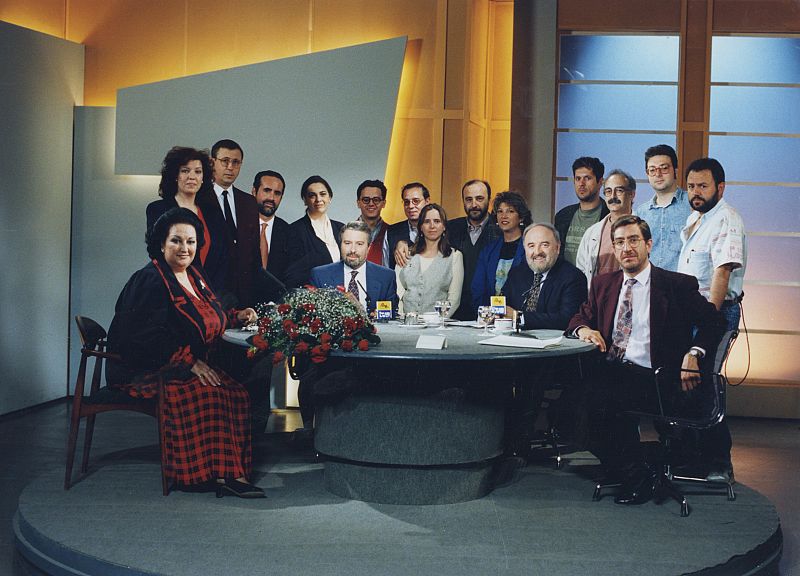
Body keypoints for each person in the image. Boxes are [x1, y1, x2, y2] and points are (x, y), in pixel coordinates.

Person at [106, 208, 264, 498]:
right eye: (176, 241)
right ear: (161, 244)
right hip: (149, 369)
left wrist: (237, 316)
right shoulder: (150, 279)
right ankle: (206, 476)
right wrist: (188, 362)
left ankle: (225, 473)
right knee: (212, 393)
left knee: (236, 392)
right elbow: (139, 338)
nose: (185, 248)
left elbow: (206, 315)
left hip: (185, 364)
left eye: (191, 242)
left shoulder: (193, 277)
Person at [567, 215, 724, 505]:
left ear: (649, 244)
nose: (626, 247)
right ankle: (639, 470)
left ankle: (636, 478)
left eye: (633, 240)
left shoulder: (675, 284)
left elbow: (714, 322)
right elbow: (580, 316)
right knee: (569, 408)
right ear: (613, 249)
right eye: (619, 242)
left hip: (657, 377)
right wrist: (585, 329)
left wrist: (694, 354)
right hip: (613, 370)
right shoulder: (603, 283)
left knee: (598, 404)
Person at [677, 157, 747, 483]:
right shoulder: (697, 217)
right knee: (689, 384)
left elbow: (722, 272)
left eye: (702, 186)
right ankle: (693, 458)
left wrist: (709, 323)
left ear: (720, 187)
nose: (695, 192)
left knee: (706, 384)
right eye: (691, 186)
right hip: (691, 313)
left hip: (714, 314)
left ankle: (720, 463)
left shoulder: (727, 220)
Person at [301, 221, 398, 428]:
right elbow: (315, 317)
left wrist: (364, 315)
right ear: (340, 244)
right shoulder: (321, 274)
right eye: (347, 243)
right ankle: (313, 431)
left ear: (368, 247)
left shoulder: (386, 276)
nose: (352, 250)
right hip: (333, 350)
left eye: (359, 244)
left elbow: (390, 316)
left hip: (374, 350)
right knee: (311, 376)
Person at [145, 147, 226, 291]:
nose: (192, 176)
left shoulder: (213, 213)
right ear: (175, 175)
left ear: (203, 178)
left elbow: (220, 258)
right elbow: (156, 252)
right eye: (185, 171)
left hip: (210, 293)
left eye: (198, 171)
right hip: (173, 290)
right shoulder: (157, 209)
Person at [203, 139, 261, 308]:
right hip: (210, 289)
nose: (230, 167)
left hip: (243, 293)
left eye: (236, 162)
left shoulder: (249, 202)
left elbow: (254, 253)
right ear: (212, 162)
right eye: (225, 161)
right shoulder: (199, 198)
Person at [504, 223, 587, 331]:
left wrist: (520, 317)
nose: (537, 252)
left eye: (544, 245)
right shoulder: (517, 273)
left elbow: (567, 319)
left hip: (554, 344)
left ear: (557, 248)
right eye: (531, 246)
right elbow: (504, 306)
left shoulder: (573, 277)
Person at [396, 203, 464, 317]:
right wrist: (403, 317)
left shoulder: (455, 256)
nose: (432, 226)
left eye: (437, 221)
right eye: (427, 221)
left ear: (444, 227)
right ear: (421, 227)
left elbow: (454, 299)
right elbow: (398, 292)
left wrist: (437, 322)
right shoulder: (405, 254)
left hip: (437, 327)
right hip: (406, 324)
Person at [447, 179, 500, 320]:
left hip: (489, 310)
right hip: (455, 311)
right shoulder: (450, 228)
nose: (474, 205)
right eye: (469, 199)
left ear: (489, 199)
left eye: (479, 199)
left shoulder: (501, 230)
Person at [634, 144, 691, 271]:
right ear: (647, 174)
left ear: (675, 171)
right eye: (652, 170)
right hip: (650, 285)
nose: (658, 174)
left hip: (683, 284)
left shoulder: (692, 205)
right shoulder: (641, 213)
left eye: (664, 168)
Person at [575, 168, 636, 287]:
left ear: (632, 194)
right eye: (608, 191)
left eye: (619, 191)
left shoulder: (643, 229)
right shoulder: (592, 232)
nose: (613, 196)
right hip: (597, 298)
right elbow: (581, 270)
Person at [471, 191, 531, 311]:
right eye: (500, 211)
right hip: (490, 316)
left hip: (520, 315)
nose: (504, 215)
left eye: (510, 211)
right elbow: (477, 288)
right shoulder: (488, 251)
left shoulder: (530, 249)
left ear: (521, 217)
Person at [285, 175, 345, 288]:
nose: (318, 199)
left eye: (323, 194)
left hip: (342, 295)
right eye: (312, 195)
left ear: (330, 197)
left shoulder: (341, 228)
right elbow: (293, 274)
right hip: (312, 299)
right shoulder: (295, 231)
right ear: (305, 200)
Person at [554, 157, 609, 266]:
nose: (581, 184)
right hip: (567, 281)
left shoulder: (610, 215)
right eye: (578, 178)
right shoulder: (562, 216)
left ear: (600, 182)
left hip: (597, 280)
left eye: (587, 178)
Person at [251, 169, 291, 297]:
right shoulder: (238, 226)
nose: (271, 198)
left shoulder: (289, 232)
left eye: (277, 193)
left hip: (277, 306)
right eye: (267, 190)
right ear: (254, 191)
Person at [386, 182, 431, 270]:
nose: (410, 206)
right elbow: (385, 268)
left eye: (416, 201)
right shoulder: (391, 232)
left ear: (427, 201)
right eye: (406, 202)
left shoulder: (438, 230)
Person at [355, 179, 390, 267]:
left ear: (384, 203)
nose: (371, 204)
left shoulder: (392, 233)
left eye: (376, 200)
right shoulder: (346, 231)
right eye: (366, 200)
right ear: (358, 203)